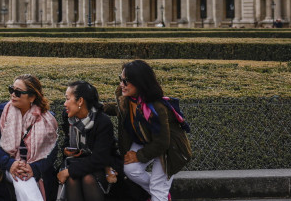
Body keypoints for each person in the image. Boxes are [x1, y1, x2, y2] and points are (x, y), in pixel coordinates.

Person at [108, 60, 191, 201]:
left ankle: (160, 194)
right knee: (131, 169)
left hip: (168, 149)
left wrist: (139, 155)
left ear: (140, 82)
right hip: (146, 140)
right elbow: (119, 109)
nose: (121, 84)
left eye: (126, 81)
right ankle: (161, 193)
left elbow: (162, 143)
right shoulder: (129, 100)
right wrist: (95, 106)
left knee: (158, 187)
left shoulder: (157, 107)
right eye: (120, 79)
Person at [0, 74, 58, 201]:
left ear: (32, 97)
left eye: (18, 92)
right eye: (11, 90)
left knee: (25, 178)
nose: (13, 95)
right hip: (8, 167)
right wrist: (11, 164)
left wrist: (34, 168)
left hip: (38, 169)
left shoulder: (47, 119)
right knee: (23, 178)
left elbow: (52, 152)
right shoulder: (3, 112)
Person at [56, 81, 120, 201]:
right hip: (76, 162)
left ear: (80, 101)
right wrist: (66, 150)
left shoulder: (102, 122)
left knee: (87, 179)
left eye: (67, 99)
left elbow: (100, 159)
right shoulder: (68, 116)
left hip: (101, 166)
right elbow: (67, 140)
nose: (65, 104)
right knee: (72, 179)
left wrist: (69, 171)